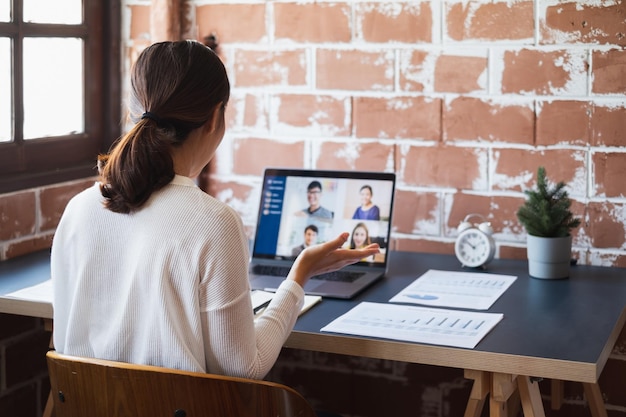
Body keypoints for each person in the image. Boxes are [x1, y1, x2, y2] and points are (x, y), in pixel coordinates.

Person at [51, 41, 379, 383]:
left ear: (133, 110)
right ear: (214, 119)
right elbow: (244, 368)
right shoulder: (213, 223)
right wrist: (298, 278)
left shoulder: (79, 209)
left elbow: (64, 339)